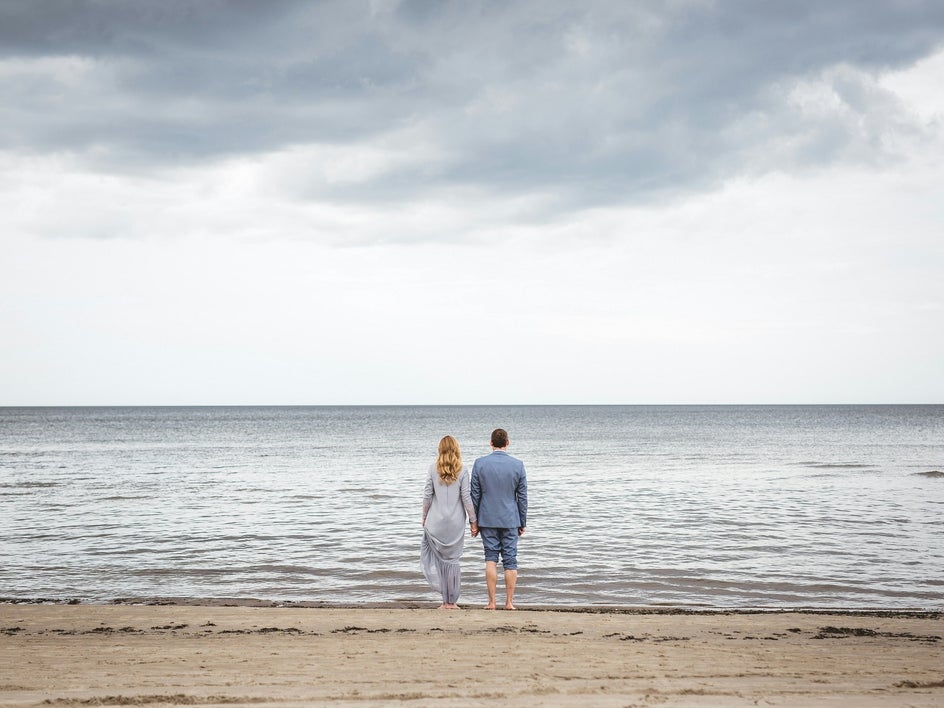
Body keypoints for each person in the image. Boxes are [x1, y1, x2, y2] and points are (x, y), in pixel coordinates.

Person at [470, 428, 528, 610]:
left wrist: (474, 521)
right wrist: (522, 521)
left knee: (490, 559)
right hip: (511, 518)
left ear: (491, 442)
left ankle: (492, 602)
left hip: (487, 518)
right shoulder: (518, 465)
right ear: (507, 443)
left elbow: (475, 495)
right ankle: (509, 602)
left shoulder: (480, 464)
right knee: (511, 561)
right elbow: (523, 497)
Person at [421, 435, 478, 609]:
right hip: (455, 523)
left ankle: (444, 602)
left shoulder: (432, 468)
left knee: (440, 561)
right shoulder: (463, 469)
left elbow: (427, 496)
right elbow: (466, 498)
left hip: (435, 522)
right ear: (456, 449)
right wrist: (473, 521)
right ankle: (451, 602)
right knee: (453, 562)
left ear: (440, 449)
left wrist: (423, 517)